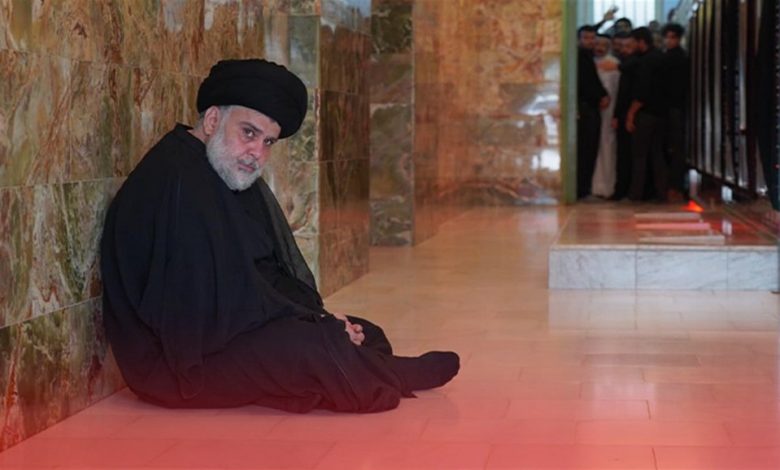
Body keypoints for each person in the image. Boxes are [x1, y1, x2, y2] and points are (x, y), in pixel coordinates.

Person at [100, 59, 459, 413]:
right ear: (212, 121)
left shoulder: (219, 169)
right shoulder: (178, 182)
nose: (257, 152)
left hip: (219, 332)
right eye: (248, 133)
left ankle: (363, 365)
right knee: (315, 347)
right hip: (174, 363)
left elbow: (262, 272)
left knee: (362, 332)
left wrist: (317, 317)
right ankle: (392, 373)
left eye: (268, 141)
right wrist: (312, 325)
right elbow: (200, 308)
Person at [626, 27, 669, 201]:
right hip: (661, 114)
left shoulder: (646, 61)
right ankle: (661, 192)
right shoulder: (660, 57)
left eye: (632, 43)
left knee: (639, 155)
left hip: (645, 114)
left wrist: (631, 114)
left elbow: (642, 92)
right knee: (657, 154)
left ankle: (636, 194)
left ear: (641, 42)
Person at [577, 25, 610, 199]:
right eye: (586, 38)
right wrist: (601, 95)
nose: (590, 41)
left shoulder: (588, 57)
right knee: (586, 149)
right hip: (586, 108)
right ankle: (582, 189)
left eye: (592, 38)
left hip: (590, 108)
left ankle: (584, 187)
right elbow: (588, 84)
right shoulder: (581, 57)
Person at [610, 33, 640, 201]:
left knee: (627, 154)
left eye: (628, 46)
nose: (624, 50)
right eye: (622, 46)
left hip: (630, 115)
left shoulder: (632, 65)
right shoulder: (625, 65)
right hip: (623, 114)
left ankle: (625, 189)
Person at [662, 22, 689, 201]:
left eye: (673, 37)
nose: (669, 40)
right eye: (667, 37)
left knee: (676, 147)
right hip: (675, 108)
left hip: (674, 108)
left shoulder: (676, 58)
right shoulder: (677, 57)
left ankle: (675, 186)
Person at [591, 35, 621, 198]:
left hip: (609, 113)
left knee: (608, 147)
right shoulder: (589, 63)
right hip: (594, 113)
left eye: (604, 45)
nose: (600, 48)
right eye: (597, 44)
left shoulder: (614, 64)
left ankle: (607, 186)